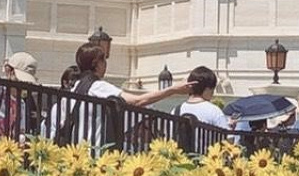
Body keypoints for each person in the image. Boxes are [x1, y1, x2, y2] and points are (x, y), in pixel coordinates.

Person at [47, 42, 191, 148]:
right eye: (104, 60)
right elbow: (137, 101)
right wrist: (173, 89)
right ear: (96, 64)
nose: (105, 64)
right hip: (93, 153)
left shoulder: (74, 90)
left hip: (73, 153)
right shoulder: (97, 87)